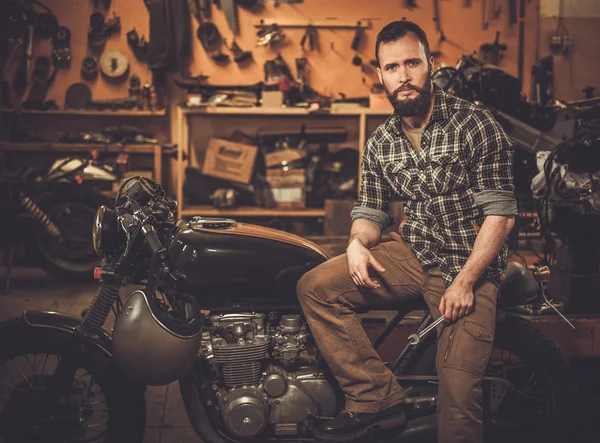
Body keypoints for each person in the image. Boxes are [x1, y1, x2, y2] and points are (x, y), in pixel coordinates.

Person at [297, 20, 517, 443]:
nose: (404, 76)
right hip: (413, 252)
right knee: (316, 287)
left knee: (456, 399)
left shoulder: (475, 123)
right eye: (392, 67)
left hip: (466, 264)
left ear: (430, 64)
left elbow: (501, 214)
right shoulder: (381, 142)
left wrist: (467, 281)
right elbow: (370, 210)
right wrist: (357, 243)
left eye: (412, 63)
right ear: (380, 75)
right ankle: (376, 397)